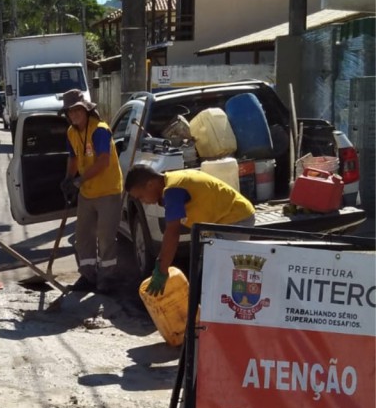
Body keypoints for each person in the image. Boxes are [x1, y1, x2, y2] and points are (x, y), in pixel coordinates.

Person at [124, 165, 255, 295]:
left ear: (150, 184)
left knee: (215, 272)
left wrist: (162, 270)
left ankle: (218, 303)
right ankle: (203, 301)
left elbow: (172, 232)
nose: (143, 202)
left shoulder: (173, 190)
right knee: (205, 271)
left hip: (236, 219)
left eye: (141, 197)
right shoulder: (171, 181)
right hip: (219, 221)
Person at [59, 88, 123, 293]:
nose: (74, 114)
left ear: (86, 110)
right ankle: (88, 276)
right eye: (70, 111)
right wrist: (69, 179)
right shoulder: (71, 132)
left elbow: (103, 162)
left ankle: (108, 278)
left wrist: (79, 181)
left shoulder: (100, 130)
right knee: (83, 236)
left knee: (105, 237)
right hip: (87, 192)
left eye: (77, 110)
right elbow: (73, 158)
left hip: (108, 191)